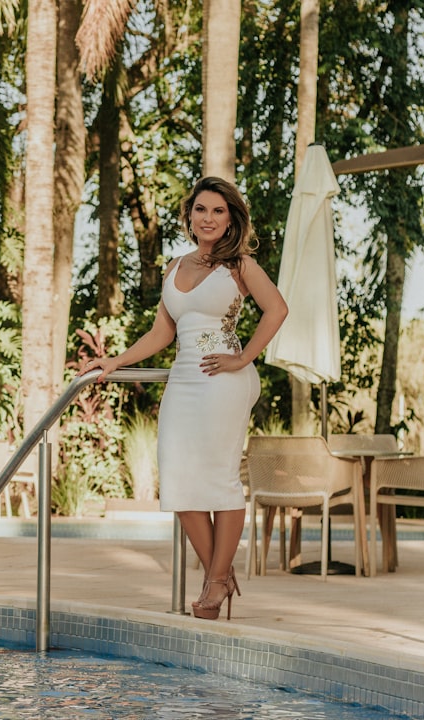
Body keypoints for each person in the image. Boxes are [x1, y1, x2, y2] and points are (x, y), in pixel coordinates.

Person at [78, 176, 287, 620]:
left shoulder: (239, 265)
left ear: (231, 219)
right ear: (189, 215)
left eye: (218, 211)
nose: (208, 218)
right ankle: (221, 572)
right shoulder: (174, 267)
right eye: (201, 210)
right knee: (177, 477)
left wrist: (243, 357)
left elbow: (277, 309)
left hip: (223, 380)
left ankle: (213, 582)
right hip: (184, 378)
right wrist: (113, 360)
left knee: (220, 478)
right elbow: (162, 333)